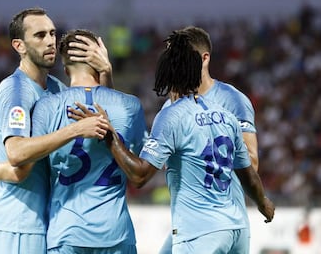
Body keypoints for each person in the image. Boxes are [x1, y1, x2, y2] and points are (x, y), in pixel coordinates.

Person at [102, 29, 275, 253]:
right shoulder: (223, 115)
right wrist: (263, 203)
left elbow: (140, 174)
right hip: (233, 227)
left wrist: (109, 136)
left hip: (199, 229)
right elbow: (248, 174)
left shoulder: (211, 105)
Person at [0, 8, 113, 254]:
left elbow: (105, 117)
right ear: (19, 46)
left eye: (53, 33)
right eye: (40, 35)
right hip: (18, 223)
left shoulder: (56, 88)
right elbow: (17, 154)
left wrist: (106, 73)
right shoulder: (16, 91)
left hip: (45, 221)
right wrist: (75, 129)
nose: (51, 41)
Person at [31, 29, 146, 253]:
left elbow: (31, 158)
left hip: (67, 233)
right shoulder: (130, 106)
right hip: (116, 234)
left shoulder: (47, 106)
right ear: (100, 60)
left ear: (65, 69)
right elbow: (142, 162)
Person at [157, 25, 261, 254]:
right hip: (190, 223)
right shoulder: (170, 106)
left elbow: (252, 163)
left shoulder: (232, 99)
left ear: (204, 59)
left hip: (221, 221)